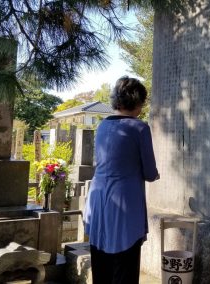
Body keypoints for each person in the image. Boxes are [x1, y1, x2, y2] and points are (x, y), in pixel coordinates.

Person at [83, 76, 159, 284]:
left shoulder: (102, 127)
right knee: (125, 266)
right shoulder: (139, 128)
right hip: (124, 203)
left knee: (101, 264)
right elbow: (150, 173)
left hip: (98, 200)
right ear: (137, 102)